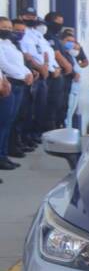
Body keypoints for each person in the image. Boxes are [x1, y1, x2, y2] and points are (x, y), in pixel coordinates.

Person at [0, 17, 33, 173]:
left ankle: (4, 155)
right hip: (9, 83)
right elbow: (4, 64)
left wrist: (28, 73)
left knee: (9, 122)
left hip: (18, 83)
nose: (7, 30)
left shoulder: (10, 44)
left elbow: (19, 63)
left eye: (9, 27)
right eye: (3, 27)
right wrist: (22, 75)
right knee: (3, 123)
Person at [61, 31, 83, 129]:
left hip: (75, 89)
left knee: (70, 113)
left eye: (73, 42)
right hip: (68, 88)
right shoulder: (63, 55)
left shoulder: (72, 57)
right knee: (67, 113)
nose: (72, 44)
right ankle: (66, 131)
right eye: (68, 41)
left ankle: (68, 130)